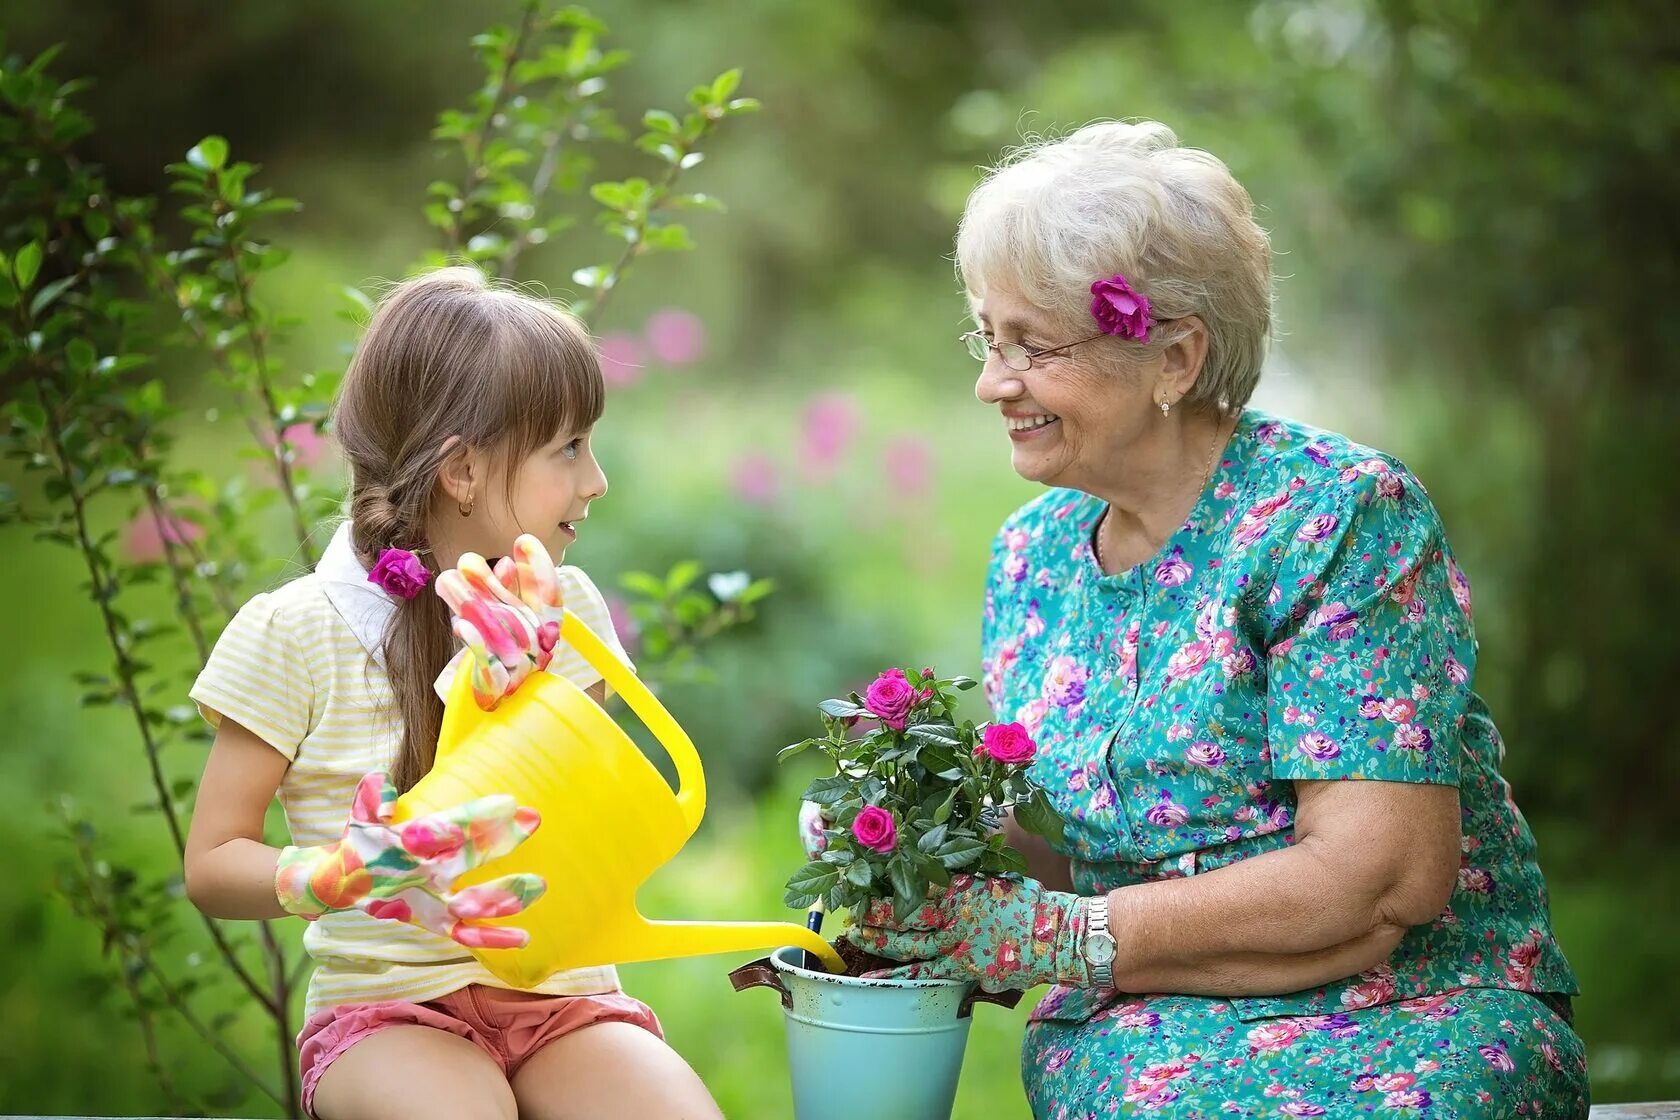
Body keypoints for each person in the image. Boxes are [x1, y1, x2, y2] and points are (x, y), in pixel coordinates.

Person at [845, 121, 1589, 1117]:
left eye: (1034, 345)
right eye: (990, 338)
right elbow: (1073, 848)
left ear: (1176, 358)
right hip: (1148, 1022)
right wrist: (914, 856)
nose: (993, 382)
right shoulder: (1031, 556)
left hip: (1416, 1005)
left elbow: (1381, 882)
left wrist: (1073, 936)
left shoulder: (1337, 514)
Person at [183, 267, 722, 1120]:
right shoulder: (295, 632)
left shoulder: (563, 611)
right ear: (463, 471)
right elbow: (212, 863)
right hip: (385, 1013)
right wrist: (334, 874)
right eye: (570, 449)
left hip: (561, 996)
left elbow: (572, 817)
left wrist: (522, 684)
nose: (597, 482)